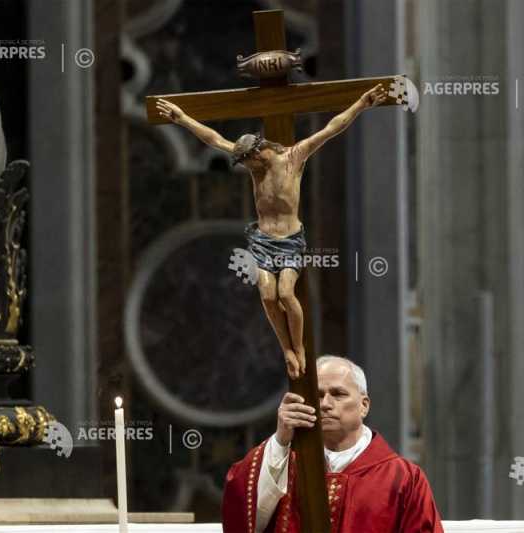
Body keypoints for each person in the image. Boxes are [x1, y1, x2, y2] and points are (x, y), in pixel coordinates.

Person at [155, 85, 388, 381]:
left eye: (247, 161)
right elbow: (215, 139)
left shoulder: (294, 157)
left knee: (286, 294)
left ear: (258, 152)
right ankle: (286, 350)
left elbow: (331, 128)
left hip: (289, 241)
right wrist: (182, 119)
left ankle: (299, 347)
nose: (246, 167)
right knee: (267, 297)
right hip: (262, 241)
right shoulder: (256, 168)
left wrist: (361, 104)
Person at [221, 355, 444, 533]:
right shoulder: (281, 464)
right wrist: (280, 439)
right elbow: (240, 513)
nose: (325, 404)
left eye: (338, 394)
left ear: (364, 405)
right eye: (317, 395)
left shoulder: (403, 478)